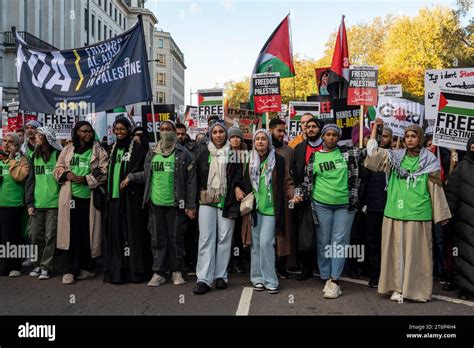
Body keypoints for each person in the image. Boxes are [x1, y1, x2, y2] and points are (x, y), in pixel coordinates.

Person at [365, 118, 451, 302]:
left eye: (413, 136)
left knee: (416, 255)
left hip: (419, 213)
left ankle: (414, 290)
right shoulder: (395, 157)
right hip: (395, 211)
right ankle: (396, 288)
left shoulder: (431, 161)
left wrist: (441, 214)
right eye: (407, 136)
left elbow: (436, 188)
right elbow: (372, 153)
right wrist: (375, 129)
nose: (410, 139)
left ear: (420, 138)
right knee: (395, 253)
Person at [124, 120, 197, 286]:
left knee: (176, 238)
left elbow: (191, 182)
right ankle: (159, 272)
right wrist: (131, 177)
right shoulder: (152, 153)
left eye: (169, 129)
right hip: (155, 204)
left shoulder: (184, 154)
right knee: (157, 238)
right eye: (162, 129)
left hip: (176, 205)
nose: (165, 132)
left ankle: (176, 271)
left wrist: (191, 205)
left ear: (174, 131)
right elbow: (146, 175)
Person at [299, 124, 366, 299]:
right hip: (321, 204)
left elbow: (369, 152)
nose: (330, 137)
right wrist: (298, 194)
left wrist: (376, 130)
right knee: (323, 242)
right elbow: (307, 183)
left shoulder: (349, 153)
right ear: (323, 137)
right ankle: (326, 276)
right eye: (327, 134)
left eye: (334, 135)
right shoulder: (314, 158)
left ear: (338, 137)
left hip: (345, 204)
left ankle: (335, 280)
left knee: (339, 242)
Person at [240, 129, 295, 294]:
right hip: (254, 209)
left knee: (266, 244)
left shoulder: (278, 159)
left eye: (264, 139)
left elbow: (287, 181)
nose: (260, 142)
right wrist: (237, 188)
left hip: (272, 209)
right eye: (257, 139)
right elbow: (242, 181)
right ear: (254, 142)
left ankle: (271, 280)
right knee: (255, 245)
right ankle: (257, 279)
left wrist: (293, 194)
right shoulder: (249, 160)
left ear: (268, 142)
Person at [54, 121, 108, 285]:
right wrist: (67, 175)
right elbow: (57, 169)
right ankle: (70, 270)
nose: (88, 134)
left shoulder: (98, 150)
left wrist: (85, 179)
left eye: (90, 132)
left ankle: (87, 268)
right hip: (70, 199)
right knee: (71, 235)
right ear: (77, 132)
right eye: (84, 131)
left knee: (87, 234)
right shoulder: (68, 149)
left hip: (89, 199)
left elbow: (105, 170)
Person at [101, 118, 149, 284]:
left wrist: (130, 178)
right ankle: (117, 271)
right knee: (116, 235)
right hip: (113, 199)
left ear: (129, 129)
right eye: (117, 129)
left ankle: (134, 271)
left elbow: (142, 170)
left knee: (132, 234)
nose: (119, 132)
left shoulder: (136, 147)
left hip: (130, 200)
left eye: (122, 129)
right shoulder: (112, 148)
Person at [193, 122, 235, 294]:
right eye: (215, 132)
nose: (218, 135)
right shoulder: (203, 153)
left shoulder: (233, 153)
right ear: (211, 134)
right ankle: (203, 278)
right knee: (205, 238)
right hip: (207, 201)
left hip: (226, 201)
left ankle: (221, 276)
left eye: (221, 132)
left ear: (225, 134)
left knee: (224, 238)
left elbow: (237, 176)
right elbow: (196, 178)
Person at [25, 127, 62, 280]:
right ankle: (36, 264)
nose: (37, 137)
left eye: (40, 135)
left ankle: (46, 266)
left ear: (47, 138)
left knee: (50, 236)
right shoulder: (34, 156)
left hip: (54, 203)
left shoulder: (57, 155)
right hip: (37, 202)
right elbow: (30, 181)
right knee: (34, 235)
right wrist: (30, 203)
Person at [291, 117, 324, 280]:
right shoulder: (299, 148)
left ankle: (324, 267)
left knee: (323, 234)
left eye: (314, 126)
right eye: (308, 126)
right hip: (305, 198)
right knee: (305, 236)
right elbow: (295, 174)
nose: (310, 129)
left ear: (320, 129)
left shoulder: (328, 146)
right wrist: (298, 192)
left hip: (326, 197)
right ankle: (307, 268)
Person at [445, 136, 474, 300]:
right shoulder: (461, 168)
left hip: (464, 219)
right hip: (463, 221)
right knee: (463, 255)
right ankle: (465, 288)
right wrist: (449, 213)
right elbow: (452, 194)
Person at [364, 125, 392, 288]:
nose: (383, 139)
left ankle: (388, 275)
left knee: (388, 242)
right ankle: (375, 274)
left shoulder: (397, 156)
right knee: (373, 241)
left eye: (386, 136)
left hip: (391, 206)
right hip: (373, 206)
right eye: (380, 136)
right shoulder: (372, 157)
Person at [0, 132, 29, 277]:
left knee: (13, 237)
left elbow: (20, 176)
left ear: (17, 145)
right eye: (4, 141)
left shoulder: (21, 159)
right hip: (1, 202)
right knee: (2, 237)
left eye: (10, 142)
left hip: (14, 203)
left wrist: (12, 159)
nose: (6, 144)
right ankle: (3, 266)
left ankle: (15, 265)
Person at [269, 118, 295, 279]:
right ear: (271, 130)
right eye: (279, 131)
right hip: (266, 197)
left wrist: (292, 194)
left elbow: (291, 176)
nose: (282, 134)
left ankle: (281, 265)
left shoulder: (288, 151)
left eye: (283, 131)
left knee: (282, 233)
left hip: (284, 198)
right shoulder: (261, 148)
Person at [223, 127, 248, 274]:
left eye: (238, 137)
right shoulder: (225, 154)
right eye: (232, 137)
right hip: (229, 199)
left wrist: (240, 188)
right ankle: (229, 262)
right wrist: (235, 188)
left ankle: (238, 262)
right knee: (228, 233)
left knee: (239, 233)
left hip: (243, 197)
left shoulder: (247, 154)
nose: (235, 140)